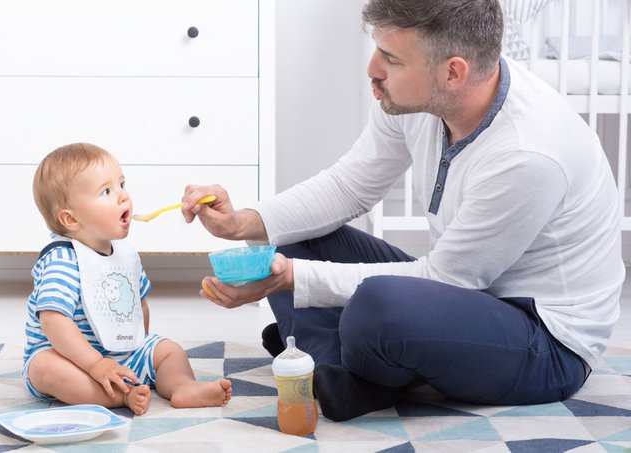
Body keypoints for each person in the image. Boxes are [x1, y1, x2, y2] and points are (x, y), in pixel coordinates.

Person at [184, 0, 625, 422]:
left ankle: (342, 355)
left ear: (453, 72)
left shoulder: (528, 153)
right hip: (464, 294)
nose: (373, 70)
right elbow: (348, 186)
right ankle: (350, 371)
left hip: (545, 341)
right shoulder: (422, 99)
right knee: (289, 238)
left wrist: (292, 278)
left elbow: (447, 280)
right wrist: (242, 221)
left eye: (391, 59)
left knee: (375, 308)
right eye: (377, 48)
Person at [24, 143, 232, 415]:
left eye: (122, 184)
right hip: (70, 358)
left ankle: (182, 386)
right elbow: (53, 320)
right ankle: (118, 397)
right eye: (107, 191)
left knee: (169, 351)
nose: (123, 197)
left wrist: (136, 345)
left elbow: (139, 304)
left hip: (122, 354)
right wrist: (96, 364)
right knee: (44, 368)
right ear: (70, 219)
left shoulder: (125, 254)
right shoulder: (62, 260)